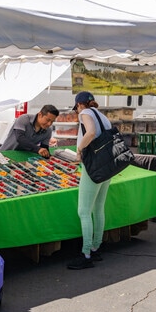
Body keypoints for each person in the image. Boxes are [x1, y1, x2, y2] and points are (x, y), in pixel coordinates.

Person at [67, 91, 112, 270]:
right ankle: (95, 248)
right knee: (98, 209)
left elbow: (91, 132)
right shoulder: (102, 116)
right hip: (107, 166)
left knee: (84, 211)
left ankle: (85, 254)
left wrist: (79, 149)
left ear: (79, 105)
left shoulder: (85, 113)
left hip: (92, 167)